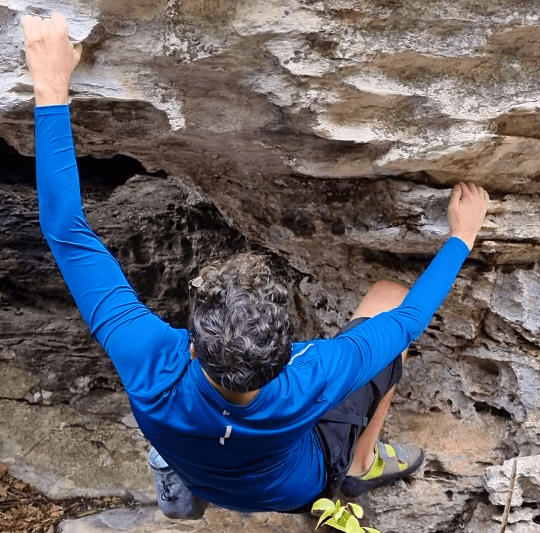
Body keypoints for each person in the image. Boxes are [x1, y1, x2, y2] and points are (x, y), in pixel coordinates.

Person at [22, 13, 489, 518]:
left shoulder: (148, 359)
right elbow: (407, 319)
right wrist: (461, 236)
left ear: (194, 344)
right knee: (388, 300)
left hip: (200, 464)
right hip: (294, 487)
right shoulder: (309, 379)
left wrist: (50, 83)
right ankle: (357, 463)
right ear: (287, 352)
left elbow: (66, 232)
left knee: (190, 430)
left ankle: (178, 470)